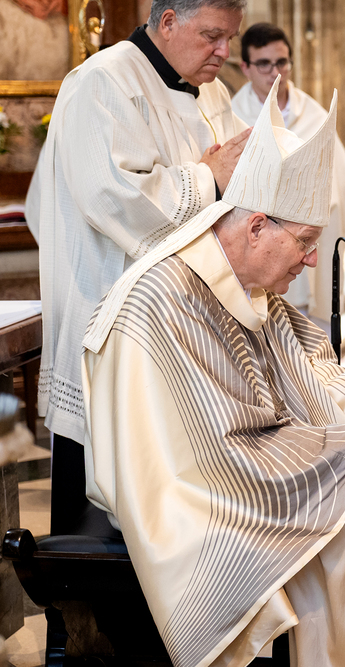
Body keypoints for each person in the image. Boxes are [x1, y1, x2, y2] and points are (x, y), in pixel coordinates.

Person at [80, 81, 345, 667]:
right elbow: (216, 456)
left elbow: (308, 376)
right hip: (197, 505)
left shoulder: (248, 284)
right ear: (256, 227)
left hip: (263, 474)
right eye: (306, 241)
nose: (313, 259)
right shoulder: (164, 301)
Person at [25, 0, 252, 532]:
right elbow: (116, 197)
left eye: (230, 38)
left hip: (184, 321)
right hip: (110, 317)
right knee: (104, 510)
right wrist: (208, 177)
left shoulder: (213, 92)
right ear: (168, 21)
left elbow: (244, 174)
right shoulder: (101, 82)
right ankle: (85, 583)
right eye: (212, 36)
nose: (224, 52)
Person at [231, 22, 345, 318]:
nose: (274, 72)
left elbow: (343, 181)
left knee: (313, 325)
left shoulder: (313, 114)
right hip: (261, 243)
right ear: (245, 67)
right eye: (264, 64)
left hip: (311, 240)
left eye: (282, 62)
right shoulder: (234, 115)